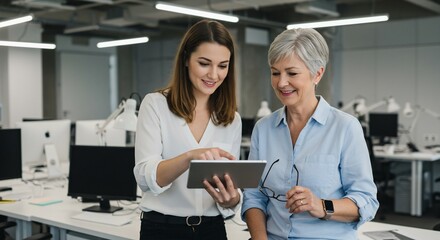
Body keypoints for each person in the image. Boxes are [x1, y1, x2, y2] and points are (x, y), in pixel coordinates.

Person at [241, 28, 379, 240]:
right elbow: (254, 196)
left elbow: (366, 201)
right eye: (275, 72)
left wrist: (321, 206)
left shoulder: (345, 128)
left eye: (292, 73)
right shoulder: (264, 128)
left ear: (317, 73)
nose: (281, 83)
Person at [134, 19, 242, 240]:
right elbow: (145, 178)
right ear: (186, 59)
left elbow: (231, 185)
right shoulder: (156, 105)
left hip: (212, 230)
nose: (214, 74)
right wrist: (190, 157)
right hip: (162, 229)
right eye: (204, 63)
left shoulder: (231, 119)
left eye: (222, 65)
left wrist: (233, 199)